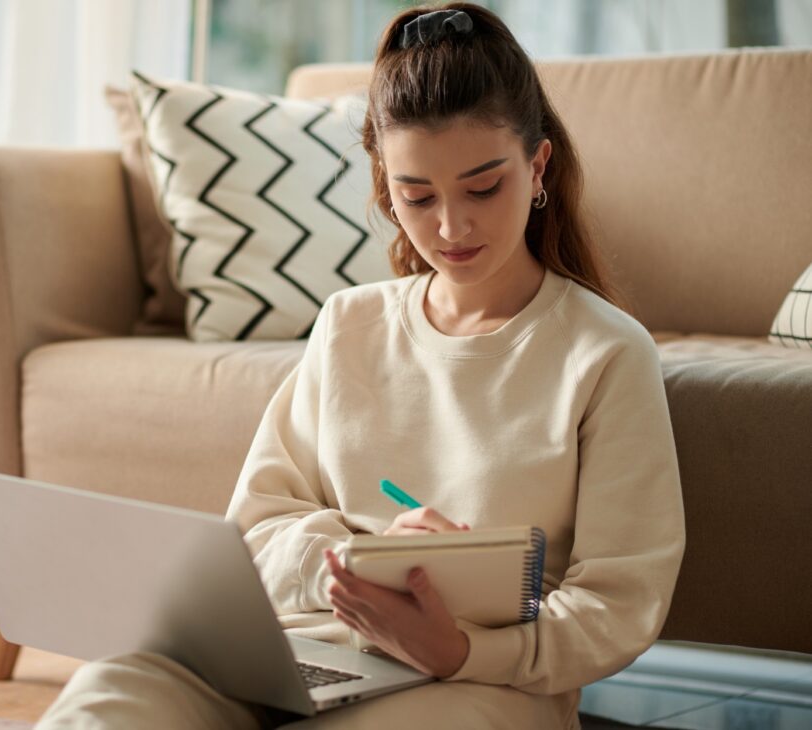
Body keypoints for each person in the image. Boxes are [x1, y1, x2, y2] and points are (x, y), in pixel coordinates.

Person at [38, 3, 685, 728]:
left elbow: (617, 604)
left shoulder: (604, 353)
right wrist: (356, 563)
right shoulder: (350, 323)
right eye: (417, 196)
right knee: (116, 686)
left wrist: (461, 649)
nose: (451, 226)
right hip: (294, 652)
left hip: (469, 684)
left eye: (483, 187)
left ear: (537, 167)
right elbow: (256, 530)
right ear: (385, 185)